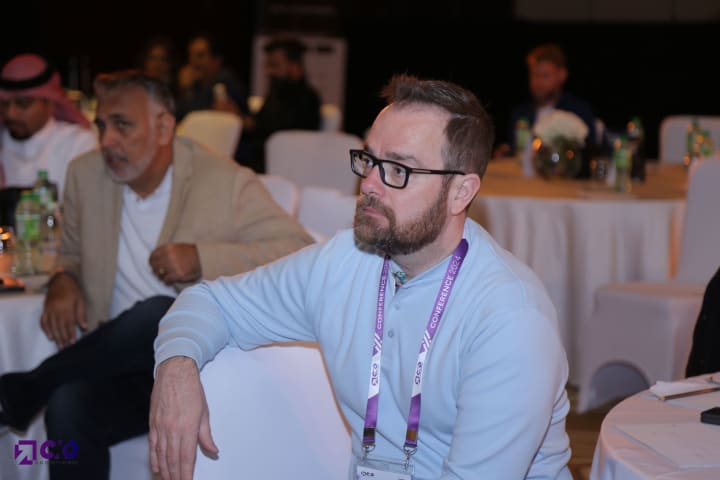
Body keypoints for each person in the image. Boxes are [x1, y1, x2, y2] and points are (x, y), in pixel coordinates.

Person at [150, 74, 572, 479]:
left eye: (399, 169)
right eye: (370, 159)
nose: (369, 183)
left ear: (461, 192)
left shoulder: (511, 319)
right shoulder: (346, 261)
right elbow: (209, 301)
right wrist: (176, 367)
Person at [0, 70, 313, 479]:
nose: (106, 140)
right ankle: (32, 391)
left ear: (164, 127)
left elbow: (300, 252)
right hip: (120, 365)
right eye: (101, 126)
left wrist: (203, 259)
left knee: (164, 311)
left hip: (199, 371)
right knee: (67, 404)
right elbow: (70, 251)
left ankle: (25, 389)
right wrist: (63, 277)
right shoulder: (86, 174)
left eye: (122, 125)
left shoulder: (225, 181)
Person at [0, 53, 97, 196]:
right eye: (4, 104)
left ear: (50, 102)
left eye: (23, 103)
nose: (11, 114)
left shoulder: (78, 144)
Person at [494, 43, 597, 159]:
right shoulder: (521, 113)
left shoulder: (578, 110)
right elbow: (516, 151)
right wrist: (506, 151)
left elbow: (589, 152)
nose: (538, 82)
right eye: (534, 75)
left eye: (545, 75)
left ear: (562, 75)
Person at [236, 35, 321, 173]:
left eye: (275, 65)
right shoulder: (276, 93)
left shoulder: (308, 100)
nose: (269, 71)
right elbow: (260, 124)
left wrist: (251, 125)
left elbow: (286, 137)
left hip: (284, 168)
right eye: (268, 65)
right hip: (261, 164)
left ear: (294, 66)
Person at [174, 32, 249, 122]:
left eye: (200, 56)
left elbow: (198, 116)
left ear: (217, 60)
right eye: (190, 55)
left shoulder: (225, 81)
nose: (193, 61)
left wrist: (187, 90)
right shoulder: (198, 84)